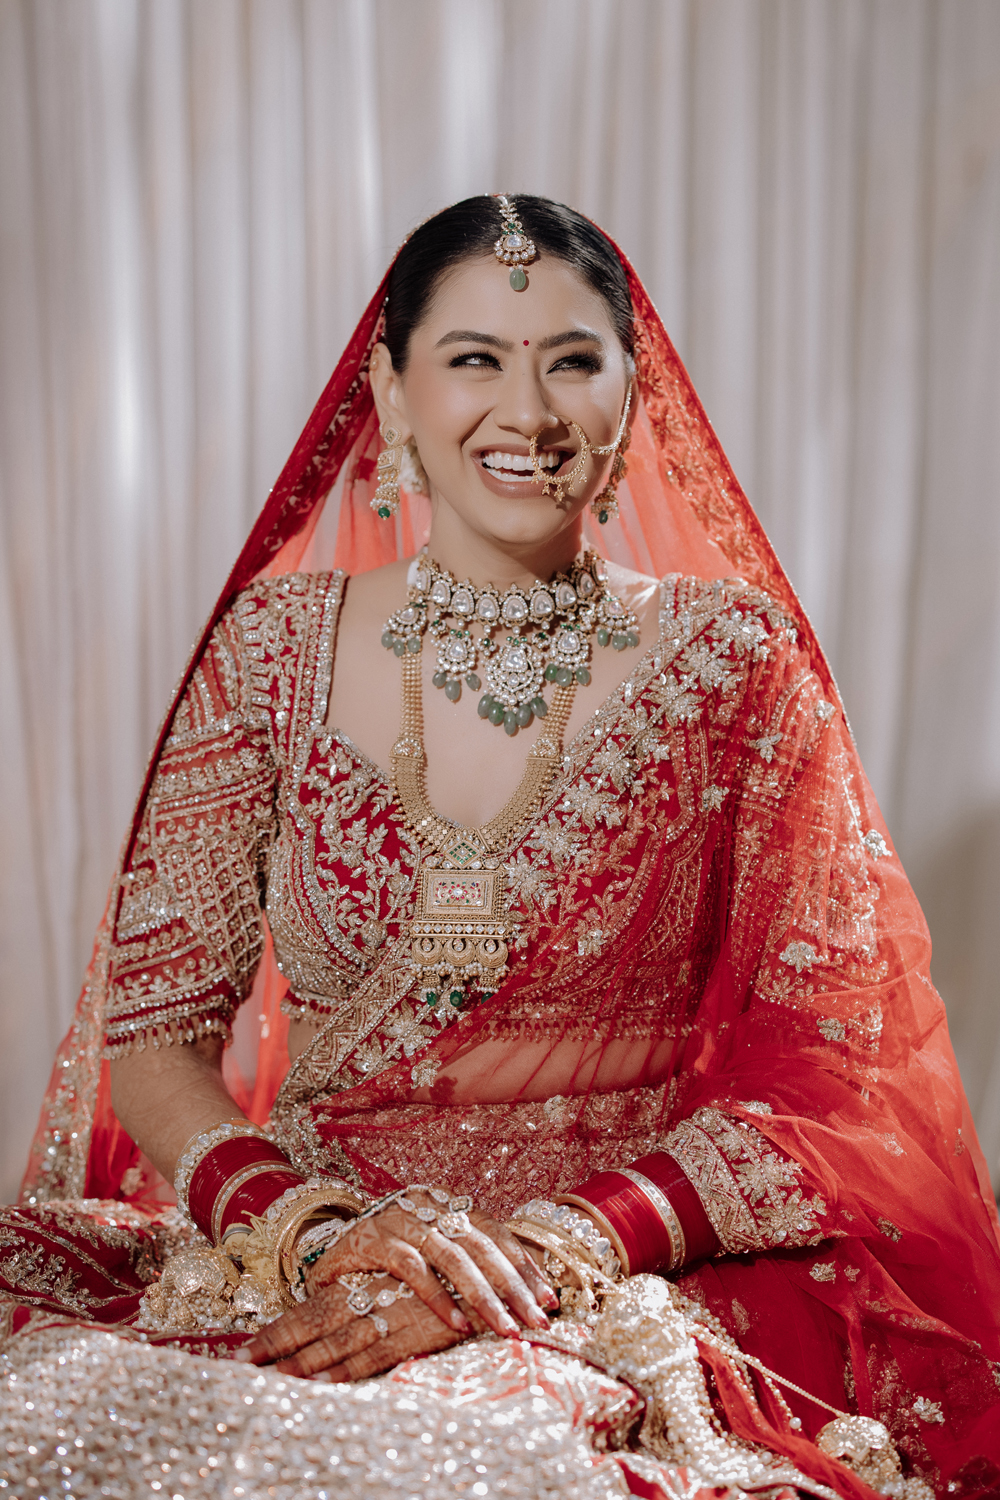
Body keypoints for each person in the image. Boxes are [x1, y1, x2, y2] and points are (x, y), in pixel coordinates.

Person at [1, 194, 998, 1500]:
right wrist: (317, 1236)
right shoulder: (274, 654)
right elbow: (154, 1041)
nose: (526, 414)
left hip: (606, 1272)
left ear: (634, 395)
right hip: (314, 1259)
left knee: (444, 1466)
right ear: (391, 390)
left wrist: (541, 1253)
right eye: (474, 358)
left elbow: (833, 1077)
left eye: (572, 361)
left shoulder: (734, 665)